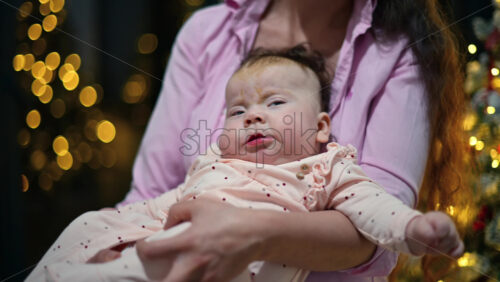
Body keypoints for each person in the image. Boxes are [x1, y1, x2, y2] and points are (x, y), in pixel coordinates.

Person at [94, 0, 467, 281]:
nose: (254, 116)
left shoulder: (326, 168)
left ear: (324, 127)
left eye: (275, 103)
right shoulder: (212, 153)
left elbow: (376, 218)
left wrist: (412, 229)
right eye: (236, 111)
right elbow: (151, 197)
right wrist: (114, 244)